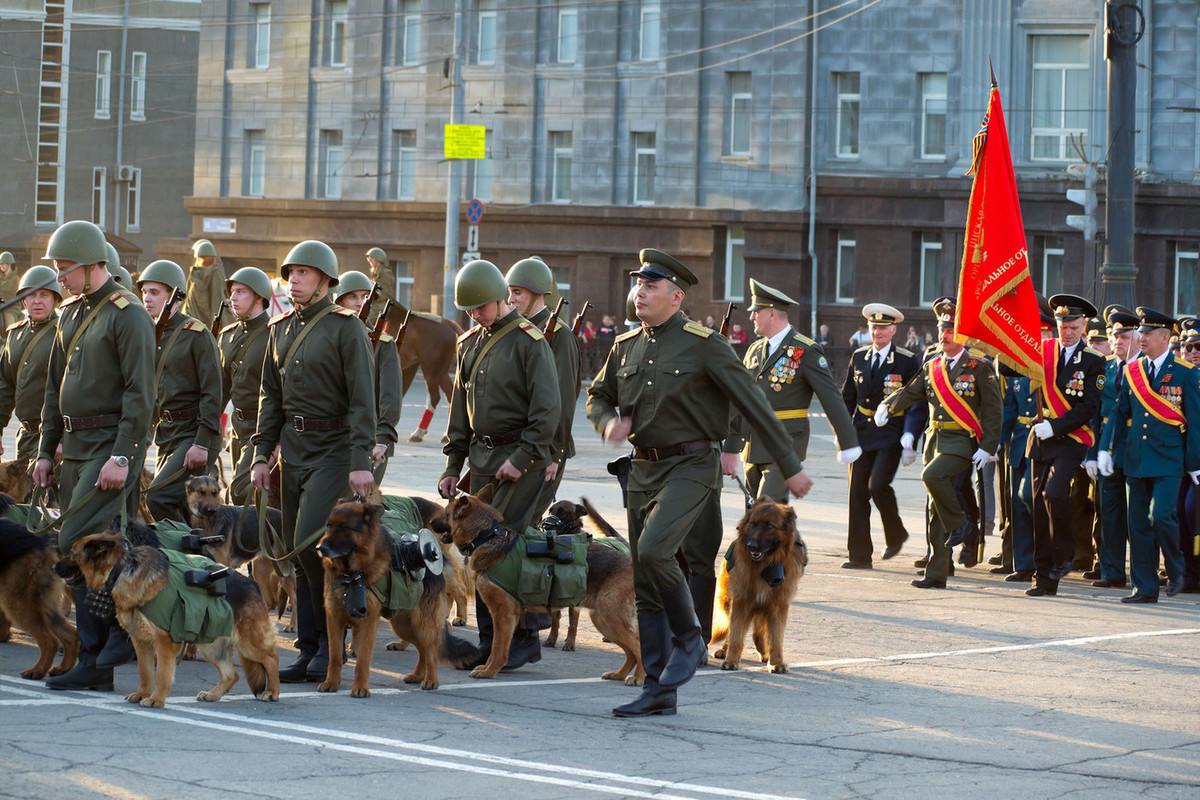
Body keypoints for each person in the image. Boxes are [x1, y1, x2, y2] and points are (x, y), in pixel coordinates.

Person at [587, 249, 813, 718]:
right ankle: (657, 689)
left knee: (652, 551)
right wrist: (607, 421)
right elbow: (598, 394)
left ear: (676, 296)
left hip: (692, 466)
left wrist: (789, 464)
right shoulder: (626, 344)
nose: (640, 293)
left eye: (650, 286)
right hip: (642, 469)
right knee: (647, 579)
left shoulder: (704, 343)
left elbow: (751, 401)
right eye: (637, 284)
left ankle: (690, 635)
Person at [35, 220, 155, 691]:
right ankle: (96, 663)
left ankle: (120, 636)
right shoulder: (69, 314)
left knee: (75, 539)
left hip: (109, 447)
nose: (58, 278)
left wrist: (123, 457)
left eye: (65, 270)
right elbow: (53, 390)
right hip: (75, 447)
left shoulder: (127, 314)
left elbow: (140, 394)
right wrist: (45, 451)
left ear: (93, 266)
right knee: (96, 547)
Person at [250, 240, 376, 682]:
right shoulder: (280, 328)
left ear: (325, 280)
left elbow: (364, 400)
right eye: (290, 273)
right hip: (294, 451)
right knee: (294, 553)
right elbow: (271, 400)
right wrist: (261, 455)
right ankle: (309, 649)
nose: (294, 281)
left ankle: (329, 644)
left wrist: (360, 460)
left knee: (311, 545)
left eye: (303, 273)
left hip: (335, 450)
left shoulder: (346, 328)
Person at [438, 259, 560, 672]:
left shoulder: (530, 341)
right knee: (478, 550)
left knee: (504, 550)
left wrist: (521, 460)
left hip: (521, 460)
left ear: (499, 298)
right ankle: (492, 643)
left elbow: (547, 412)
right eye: (469, 310)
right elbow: (460, 411)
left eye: (481, 308)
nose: (475, 315)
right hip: (483, 459)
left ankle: (522, 640)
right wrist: (454, 463)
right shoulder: (468, 342)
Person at [876, 296, 1001, 589]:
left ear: (962, 334)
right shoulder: (932, 364)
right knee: (934, 507)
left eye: (950, 330)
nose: (943, 335)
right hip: (935, 438)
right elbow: (911, 392)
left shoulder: (979, 366)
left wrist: (989, 446)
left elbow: (995, 411)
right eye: (941, 329)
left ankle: (960, 524)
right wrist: (888, 405)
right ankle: (936, 572)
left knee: (932, 476)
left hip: (962, 439)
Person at [1099, 307, 1200, 603]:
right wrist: (1107, 448)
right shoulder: (1132, 371)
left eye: (1147, 333)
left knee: (1162, 516)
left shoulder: (1185, 372)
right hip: (1136, 457)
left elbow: (1194, 422)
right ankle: (1144, 587)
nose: (1141, 338)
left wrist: (1195, 462)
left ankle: (1175, 566)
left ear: (1165, 337)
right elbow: (1120, 414)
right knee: (1138, 523)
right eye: (1140, 332)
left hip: (1170, 458)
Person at [735, 278, 859, 503]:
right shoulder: (754, 350)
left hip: (785, 443)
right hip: (753, 445)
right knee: (758, 518)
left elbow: (831, 398)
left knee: (765, 514)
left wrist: (847, 442)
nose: (751, 316)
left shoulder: (806, 351)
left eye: (756, 312)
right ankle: (793, 541)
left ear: (772, 314)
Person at [1025, 294, 1106, 597]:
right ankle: (1043, 578)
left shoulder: (1094, 361)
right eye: (1062, 324)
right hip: (1041, 440)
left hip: (1071, 439)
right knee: (1037, 508)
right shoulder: (1042, 351)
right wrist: (999, 348)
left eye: (1073, 326)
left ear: (1083, 326)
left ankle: (1064, 554)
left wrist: (1055, 426)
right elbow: (1009, 369)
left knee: (1055, 492)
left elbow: (1089, 407)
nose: (1067, 331)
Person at [139, 259, 223, 522]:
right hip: (168, 433)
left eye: (154, 292)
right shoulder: (149, 333)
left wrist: (201, 442)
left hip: (194, 432)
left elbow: (213, 392)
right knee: (180, 504)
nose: (147, 298)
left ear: (174, 295)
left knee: (157, 496)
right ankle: (194, 555)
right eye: (144, 292)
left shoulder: (196, 334)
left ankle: (194, 550)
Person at [840, 302, 920, 568]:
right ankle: (860, 556)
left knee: (878, 486)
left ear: (893, 330)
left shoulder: (906, 360)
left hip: (890, 432)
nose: (877, 333)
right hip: (862, 432)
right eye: (874, 328)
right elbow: (847, 398)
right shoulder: (859, 357)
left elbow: (914, 400)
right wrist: (843, 437)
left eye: (883, 328)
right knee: (856, 493)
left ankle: (896, 533)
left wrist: (910, 436)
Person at [504, 256, 580, 519]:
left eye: (517, 293)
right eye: (509, 292)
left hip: (544, 449)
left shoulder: (559, 335)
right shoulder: (516, 329)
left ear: (538, 294)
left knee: (527, 522)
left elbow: (563, 399)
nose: (511, 299)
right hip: (520, 444)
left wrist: (553, 453)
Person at [332, 270, 402, 486]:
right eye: (352, 297)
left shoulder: (384, 344)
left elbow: (390, 398)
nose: (359, 303)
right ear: (339, 300)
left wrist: (382, 440)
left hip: (371, 443)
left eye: (364, 297)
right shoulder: (329, 340)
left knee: (360, 512)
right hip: (332, 441)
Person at [1090, 306, 1138, 590]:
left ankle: (1146, 568)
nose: (1117, 340)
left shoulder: (1144, 367)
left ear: (1136, 336)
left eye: (1123, 335)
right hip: (1107, 447)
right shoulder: (1105, 368)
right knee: (1109, 512)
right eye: (1113, 335)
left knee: (1137, 516)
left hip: (1135, 447)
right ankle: (1112, 571)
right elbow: (1096, 415)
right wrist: (1091, 454)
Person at [217, 266, 273, 505]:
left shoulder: (275, 334)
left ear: (259, 298)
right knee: (242, 497)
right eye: (232, 292)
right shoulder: (227, 335)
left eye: (241, 292)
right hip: (237, 427)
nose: (233, 297)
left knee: (240, 491)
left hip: (263, 428)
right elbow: (221, 390)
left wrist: (278, 441)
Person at [0, 265, 63, 467]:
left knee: (50, 498)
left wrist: (61, 440)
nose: (37, 301)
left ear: (55, 299)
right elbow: (5, 386)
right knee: (23, 497)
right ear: (23, 299)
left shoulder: (64, 333)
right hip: (25, 436)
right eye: (31, 295)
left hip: (54, 439)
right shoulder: (15, 334)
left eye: (44, 295)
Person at [181, 239, 228, 329]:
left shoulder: (198, 273)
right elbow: (216, 302)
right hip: (202, 325)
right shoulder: (213, 273)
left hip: (192, 323)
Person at [0, 251, 22, 330]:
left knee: (9, 324)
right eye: (0, 264)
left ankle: (10, 339)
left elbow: (8, 295)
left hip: (11, 308)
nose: (1, 265)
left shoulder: (15, 279)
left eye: (3, 263)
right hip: (1, 306)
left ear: (9, 264)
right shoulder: (1, 278)